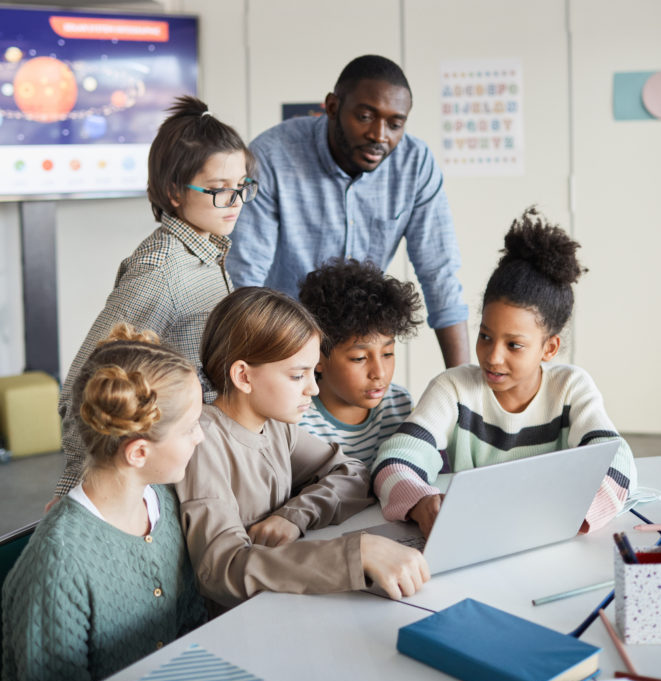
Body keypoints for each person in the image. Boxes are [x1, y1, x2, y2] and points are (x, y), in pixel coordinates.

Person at [373, 208, 637, 538]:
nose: (492, 357)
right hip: (474, 541)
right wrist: (420, 501)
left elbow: (618, 460)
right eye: (485, 336)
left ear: (549, 348)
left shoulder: (570, 387)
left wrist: (573, 515)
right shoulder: (454, 388)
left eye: (514, 345)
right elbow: (394, 459)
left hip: (550, 540)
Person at [176, 287, 429, 610]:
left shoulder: (277, 425)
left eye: (312, 371)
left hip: (282, 604)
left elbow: (352, 473)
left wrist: (294, 516)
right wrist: (356, 554)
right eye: (298, 375)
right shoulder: (204, 441)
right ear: (243, 376)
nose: (312, 387)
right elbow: (222, 569)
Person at [54, 95, 255, 497]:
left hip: (196, 452)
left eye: (241, 187)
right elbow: (83, 382)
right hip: (154, 469)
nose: (234, 202)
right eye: (218, 190)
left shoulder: (207, 247)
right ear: (174, 192)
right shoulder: (160, 270)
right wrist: (83, 493)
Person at [1, 326, 207, 681]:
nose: (200, 438)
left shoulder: (162, 503)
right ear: (139, 453)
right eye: (190, 427)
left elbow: (189, 624)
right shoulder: (59, 562)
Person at [226, 54, 469, 369]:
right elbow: (244, 279)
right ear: (332, 107)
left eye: (395, 124)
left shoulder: (415, 164)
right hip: (281, 345)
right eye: (366, 116)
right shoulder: (272, 156)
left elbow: (440, 274)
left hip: (358, 356)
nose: (380, 135)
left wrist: (462, 387)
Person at [297, 257, 422, 465]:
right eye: (359, 358)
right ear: (317, 356)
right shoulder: (298, 423)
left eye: (388, 353)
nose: (379, 373)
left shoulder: (399, 405)